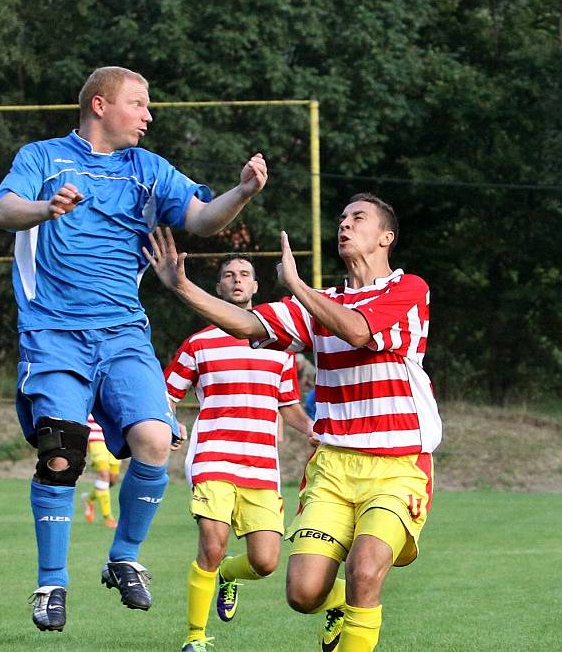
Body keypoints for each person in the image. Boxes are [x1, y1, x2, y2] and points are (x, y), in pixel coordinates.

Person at [0, 65, 268, 633]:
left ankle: (124, 557)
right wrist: (45, 209)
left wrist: (240, 192)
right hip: (53, 334)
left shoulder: (148, 170)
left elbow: (200, 219)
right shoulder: (43, 157)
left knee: (155, 439)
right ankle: (50, 583)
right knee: (62, 450)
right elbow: (4, 210)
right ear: (100, 105)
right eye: (138, 104)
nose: (148, 114)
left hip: (122, 334)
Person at [143, 192, 442, 652]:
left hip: (397, 464)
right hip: (332, 468)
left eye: (357, 218)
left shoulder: (407, 290)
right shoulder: (319, 304)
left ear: (386, 237)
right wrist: (182, 287)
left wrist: (299, 287)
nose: (344, 225)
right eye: (342, 218)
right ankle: (333, 616)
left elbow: (358, 330)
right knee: (303, 594)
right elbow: (246, 324)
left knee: (364, 571)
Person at [163, 253, 314, 652]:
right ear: (217, 289)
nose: (237, 280)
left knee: (265, 563)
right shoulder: (199, 343)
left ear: (255, 286)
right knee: (212, 545)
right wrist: (169, 422)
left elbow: (290, 407)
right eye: (228, 275)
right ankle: (195, 637)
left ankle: (229, 575)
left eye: (245, 274)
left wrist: (316, 432)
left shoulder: (280, 349)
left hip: (262, 466)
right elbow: (166, 395)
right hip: (212, 457)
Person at [81, 415, 122, 529]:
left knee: (113, 479)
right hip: (95, 438)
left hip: (114, 438)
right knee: (104, 475)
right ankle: (108, 517)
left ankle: (88, 498)